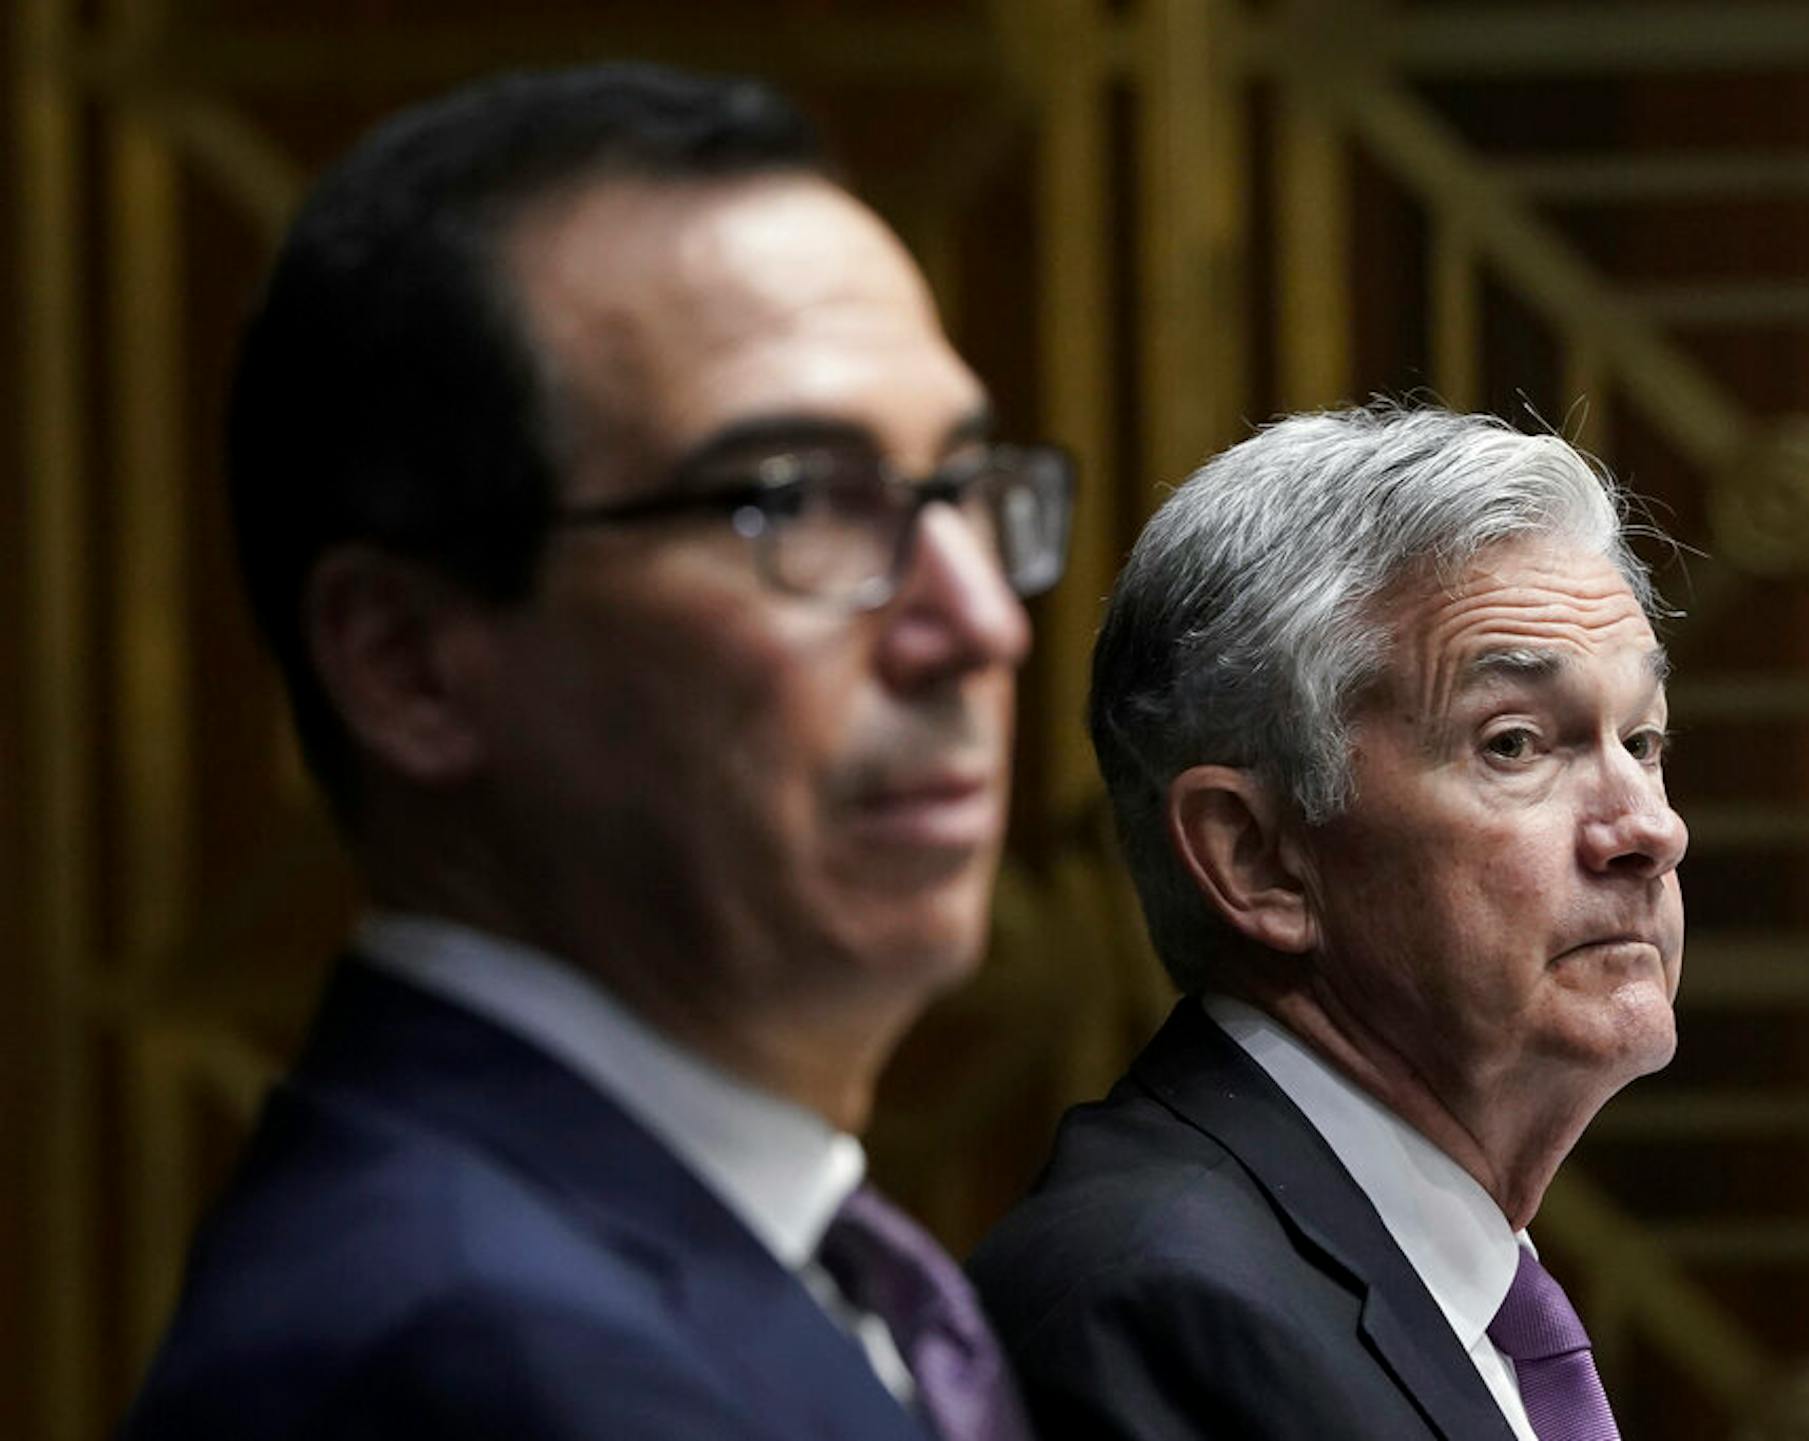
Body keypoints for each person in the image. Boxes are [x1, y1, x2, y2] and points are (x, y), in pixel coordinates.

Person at [124, 63, 1067, 1441]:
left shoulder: (717, 1250)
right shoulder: (482, 1361)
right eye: (794, 502)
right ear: (407, 663)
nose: (979, 622)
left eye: (966, 491)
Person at [970, 404, 1686, 1441]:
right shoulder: (1148, 1309)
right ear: (1256, 858)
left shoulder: (1439, 1278)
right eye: (1517, 743)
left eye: (1646, 738)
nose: (1647, 828)